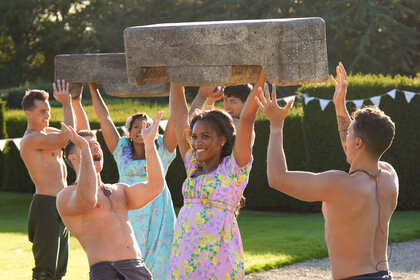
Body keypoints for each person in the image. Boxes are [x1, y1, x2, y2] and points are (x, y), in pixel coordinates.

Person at [255, 62, 398, 280]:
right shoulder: (389, 176)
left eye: (349, 133)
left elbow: (277, 179)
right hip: (384, 275)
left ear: (358, 143)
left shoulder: (338, 184)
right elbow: (357, 153)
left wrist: (276, 125)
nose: (345, 137)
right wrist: (339, 106)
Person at [166, 70, 266, 279]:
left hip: (217, 256)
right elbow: (178, 118)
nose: (196, 142)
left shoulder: (234, 168)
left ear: (222, 140)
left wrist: (263, 71)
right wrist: (176, 78)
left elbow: (247, 118)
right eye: (194, 137)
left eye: (205, 136)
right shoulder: (193, 166)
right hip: (184, 253)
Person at [74, 83, 177, 279]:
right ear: (129, 130)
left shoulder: (162, 149)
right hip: (128, 206)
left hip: (158, 209)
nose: (141, 129)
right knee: (130, 257)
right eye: (136, 126)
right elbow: (104, 118)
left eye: (145, 125)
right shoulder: (120, 149)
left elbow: (178, 117)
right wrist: (92, 88)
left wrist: (175, 86)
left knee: (161, 259)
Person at [56, 111, 165, 280]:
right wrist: (86, 150)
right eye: (86, 144)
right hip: (107, 271)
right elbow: (88, 199)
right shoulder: (66, 196)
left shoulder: (119, 190)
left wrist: (149, 143)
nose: (95, 146)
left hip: (137, 268)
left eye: (96, 144)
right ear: (73, 158)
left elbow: (156, 187)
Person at [20, 80, 74, 280]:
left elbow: (75, 134)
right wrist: (66, 104)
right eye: (42, 111)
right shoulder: (31, 139)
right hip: (46, 204)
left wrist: (74, 101)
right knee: (45, 271)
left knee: (59, 271)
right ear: (29, 113)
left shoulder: (48, 133)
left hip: (62, 204)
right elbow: (66, 139)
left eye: (49, 110)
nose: (48, 115)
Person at [189, 84, 255, 144]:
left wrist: (202, 95)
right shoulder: (244, 124)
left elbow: (193, 124)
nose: (226, 106)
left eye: (233, 102)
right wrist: (210, 100)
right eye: (225, 100)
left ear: (247, 103)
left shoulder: (237, 125)